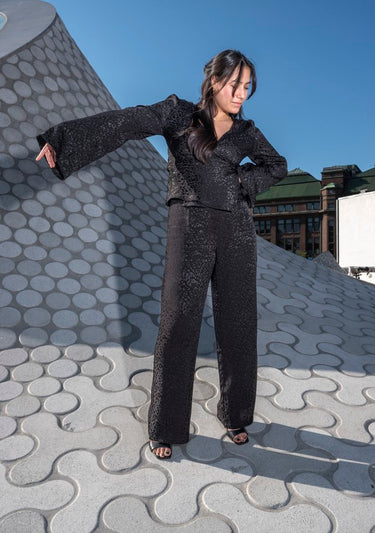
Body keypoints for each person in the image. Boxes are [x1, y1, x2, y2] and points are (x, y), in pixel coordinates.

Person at [36, 49, 287, 460]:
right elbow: (130, 122)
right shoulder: (178, 114)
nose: (242, 94)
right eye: (234, 84)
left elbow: (277, 166)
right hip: (189, 226)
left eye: (247, 87)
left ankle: (236, 414)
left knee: (239, 324)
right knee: (178, 325)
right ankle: (166, 426)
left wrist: (243, 183)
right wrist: (62, 140)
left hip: (237, 231)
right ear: (213, 81)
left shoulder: (247, 132)